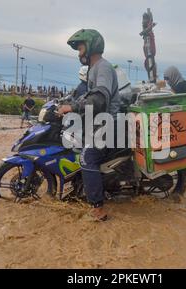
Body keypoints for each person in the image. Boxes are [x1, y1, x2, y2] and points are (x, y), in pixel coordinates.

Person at [58, 29, 121, 221]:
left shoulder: (102, 67)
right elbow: (86, 95)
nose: (79, 53)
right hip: (98, 123)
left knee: (87, 158)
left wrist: (73, 107)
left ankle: (98, 208)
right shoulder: (94, 69)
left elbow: (99, 99)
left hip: (107, 126)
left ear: (92, 45)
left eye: (81, 48)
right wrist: (67, 102)